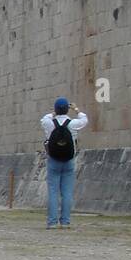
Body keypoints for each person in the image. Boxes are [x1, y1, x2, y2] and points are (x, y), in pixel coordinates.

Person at [42, 97, 87, 228]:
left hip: (54, 159)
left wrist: (53, 113)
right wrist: (76, 109)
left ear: (56, 109)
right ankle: (66, 222)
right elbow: (85, 120)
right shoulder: (73, 124)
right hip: (69, 160)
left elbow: (44, 118)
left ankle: (52, 222)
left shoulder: (49, 123)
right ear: (67, 109)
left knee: (53, 192)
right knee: (67, 192)